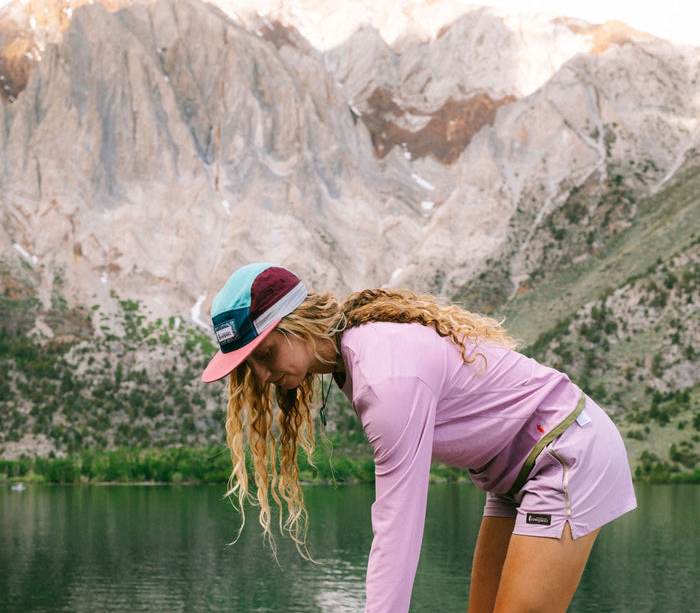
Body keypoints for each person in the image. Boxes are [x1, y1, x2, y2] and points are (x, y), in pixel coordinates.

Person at [202, 262, 637, 613]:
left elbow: (397, 528)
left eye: (265, 353)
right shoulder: (355, 353)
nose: (262, 375)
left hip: (564, 451)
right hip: (510, 476)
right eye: (250, 366)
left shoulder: (385, 376)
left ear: (297, 325)